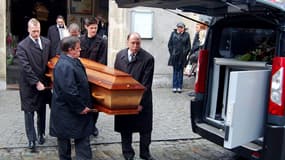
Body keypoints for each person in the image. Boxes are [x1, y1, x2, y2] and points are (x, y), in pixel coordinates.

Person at [49, 36, 95, 160]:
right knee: (66, 144)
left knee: (81, 139)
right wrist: (81, 107)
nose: (80, 50)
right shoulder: (65, 65)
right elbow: (69, 91)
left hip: (72, 110)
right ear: (70, 50)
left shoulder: (74, 61)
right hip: (68, 111)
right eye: (78, 49)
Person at [114, 32, 155, 160]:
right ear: (127, 42)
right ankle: (127, 153)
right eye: (133, 43)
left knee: (145, 129)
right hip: (124, 99)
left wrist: (139, 103)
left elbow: (146, 84)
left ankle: (145, 153)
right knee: (125, 127)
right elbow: (116, 77)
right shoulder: (120, 55)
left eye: (138, 43)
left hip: (142, 100)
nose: (135, 45)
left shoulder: (148, 58)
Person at [16, 18, 52, 152]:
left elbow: (50, 61)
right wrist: (36, 82)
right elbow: (25, 67)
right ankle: (31, 139)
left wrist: (50, 80)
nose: (36, 34)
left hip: (44, 83)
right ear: (28, 30)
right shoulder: (22, 46)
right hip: (29, 85)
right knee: (29, 111)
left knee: (41, 109)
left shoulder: (47, 42)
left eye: (38, 31)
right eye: (33, 31)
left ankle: (41, 133)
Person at [80, 17, 108, 137]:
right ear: (86, 27)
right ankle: (83, 125)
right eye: (91, 28)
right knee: (83, 102)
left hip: (96, 77)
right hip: (81, 77)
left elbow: (102, 61)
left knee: (95, 103)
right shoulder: (80, 40)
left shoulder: (102, 42)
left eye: (95, 28)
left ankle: (92, 126)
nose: (93, 30)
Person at [168, 22, 191, 93]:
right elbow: (169, 45)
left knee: (180, 71)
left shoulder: (187, 35)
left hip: (182, 56)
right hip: (174, 56)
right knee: (175, 71)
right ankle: (174, 87)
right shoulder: (173, 34)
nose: (180, 28)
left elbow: (188, 46)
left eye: (181, 27)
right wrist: (172, 53)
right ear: (177, 27)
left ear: (184, 28)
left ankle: (179, 87)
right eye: (179, 27)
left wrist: (185, 53)